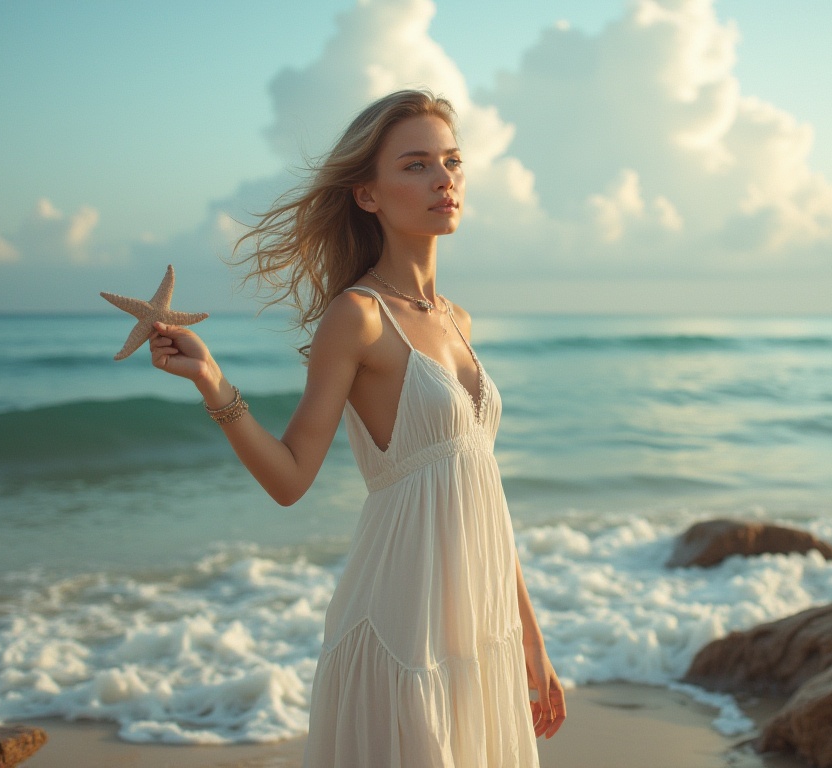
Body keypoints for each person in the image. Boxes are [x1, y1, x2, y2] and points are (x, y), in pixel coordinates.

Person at [146, 89, 564, 766]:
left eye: (452, 162)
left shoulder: (459, 320)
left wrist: (530, 639)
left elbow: (483, 491)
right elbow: (290, 478)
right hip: (398, 634)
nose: (443, 180)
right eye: (417, 165)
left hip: (474, 635)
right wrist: (212, 382)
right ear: (367, 194)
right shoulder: (359, 317)